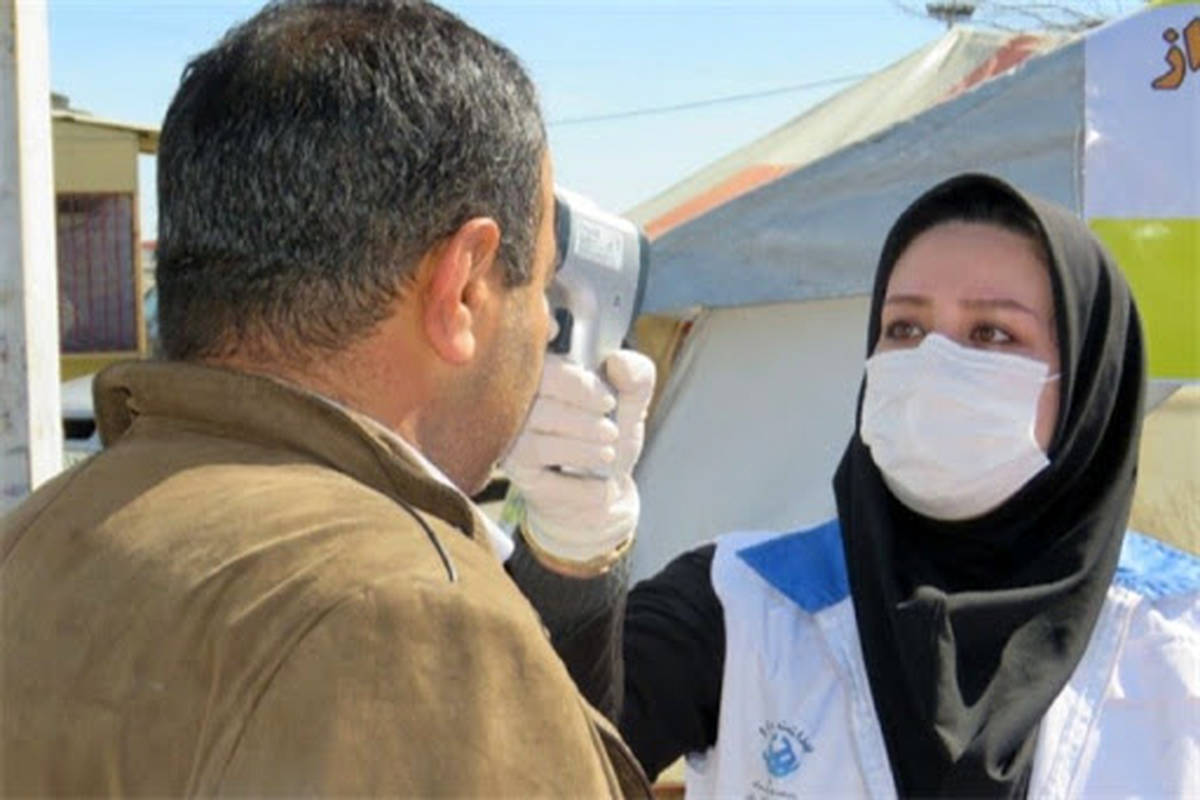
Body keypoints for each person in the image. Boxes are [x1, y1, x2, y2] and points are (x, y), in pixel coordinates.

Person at [0, 1, 653, 796]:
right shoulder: (416, 619)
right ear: (463, 288)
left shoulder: (35, 537)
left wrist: (570, 572)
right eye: (541, 286)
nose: (546, 326)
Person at [520, 172, 1199, 798]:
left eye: (992, 333)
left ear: (1089, 387)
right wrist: (570, 552)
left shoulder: (1179, 636)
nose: (934, 361)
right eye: (904, 327)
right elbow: (534, 759)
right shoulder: (743, 601)